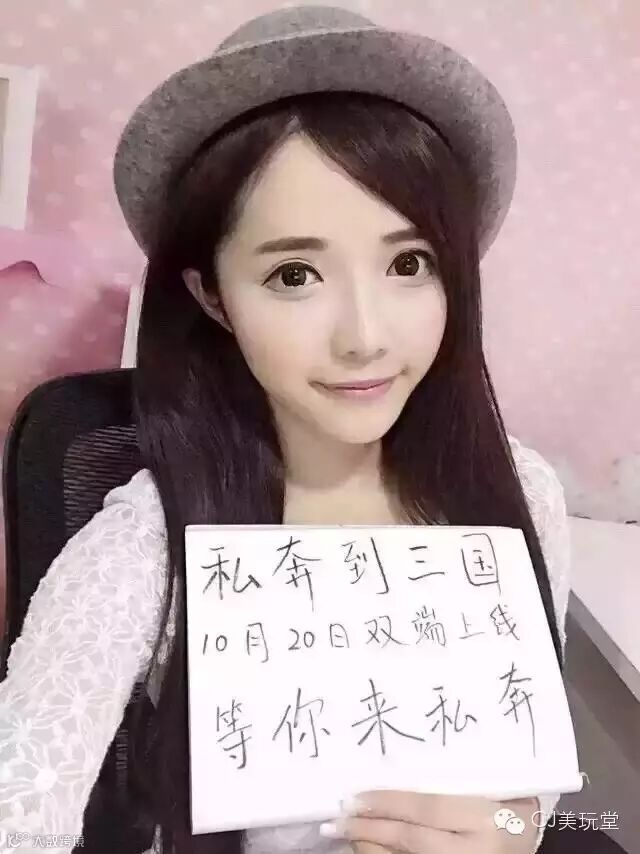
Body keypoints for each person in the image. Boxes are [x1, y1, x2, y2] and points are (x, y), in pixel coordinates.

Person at [0, 6, 627, 854]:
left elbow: (533, 792)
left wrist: (511, 832)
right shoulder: (146, 545)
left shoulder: (522, 493)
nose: (365, 336)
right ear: (212, 296)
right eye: (294, 274)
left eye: (409, 263)